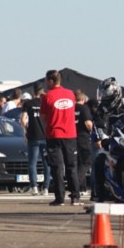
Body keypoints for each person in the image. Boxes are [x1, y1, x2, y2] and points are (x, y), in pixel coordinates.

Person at [40, 69, 80, 206]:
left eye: (46, 81)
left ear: (51, 81)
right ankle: (75, 196)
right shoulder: (70, 94)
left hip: (54, 135)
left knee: (57, 168)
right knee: (71, 166)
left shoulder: (47, 96)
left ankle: (60, 198)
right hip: (70, 135)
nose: (45, 83)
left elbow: (43, 117)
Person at [21, 84, 48, 195]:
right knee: (47, 163)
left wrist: (26, 131)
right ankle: (46, 188)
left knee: (32, 163)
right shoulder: (45, 103)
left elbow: (22, 119)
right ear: (42, 92)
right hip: (45, 136)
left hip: (33, 136)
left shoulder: (28, 103)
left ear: (33, 92)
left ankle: (34, 187)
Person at [74, 90, 93, 195]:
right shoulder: (84, 108)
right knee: (87, 161)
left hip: (72, 138)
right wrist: (94, 133)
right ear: (82, 99)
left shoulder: (70, 108)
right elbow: (88, 124)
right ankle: (77, 183)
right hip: (83, 138)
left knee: (78, 163)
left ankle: (82, 188)